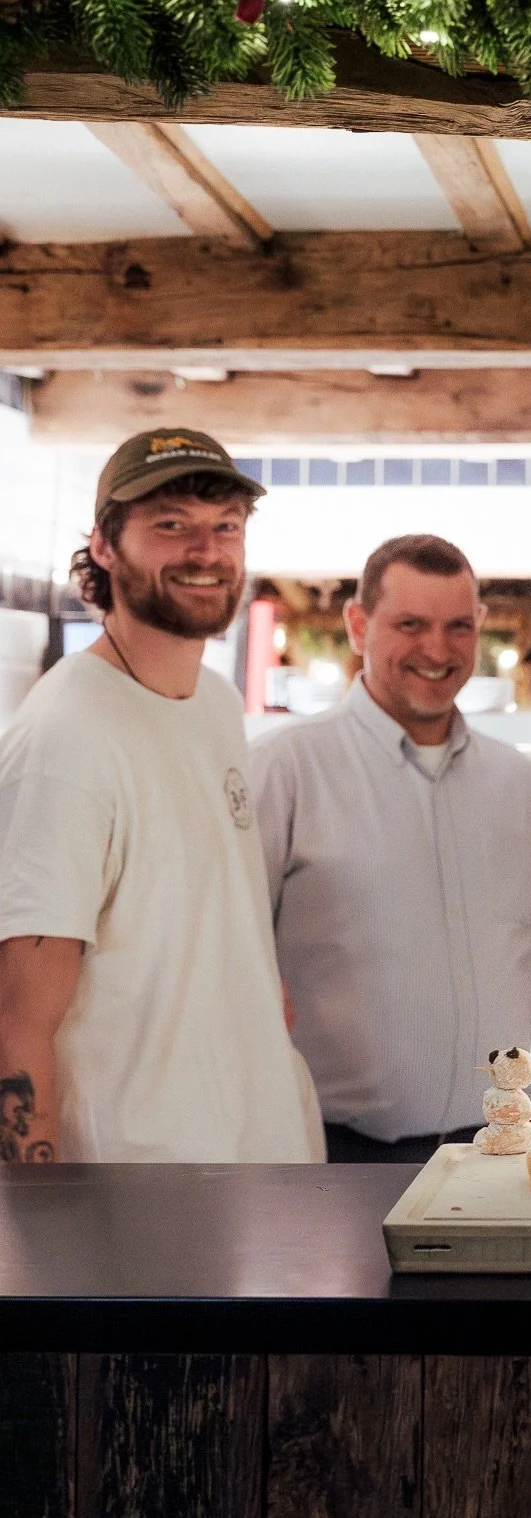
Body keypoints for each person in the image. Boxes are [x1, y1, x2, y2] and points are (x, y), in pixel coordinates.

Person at [0, 429, 322, 1164]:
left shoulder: (214, 702)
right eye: (171, 524)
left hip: (259, 1162)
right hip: (139, 1189)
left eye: (226, 526)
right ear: (105, 546)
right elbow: (17, 1021)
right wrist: (35, 1217)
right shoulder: (67, 738)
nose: (206, 550)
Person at [252, 533, 531, 1163]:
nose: (437, 651)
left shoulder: (519, 782)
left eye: (457, 626)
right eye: (411, 625)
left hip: (500, 1151)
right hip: (331, 1154)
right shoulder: (285, 769)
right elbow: (233, 954)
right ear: (358, 625)